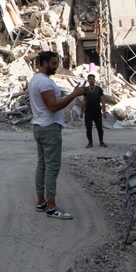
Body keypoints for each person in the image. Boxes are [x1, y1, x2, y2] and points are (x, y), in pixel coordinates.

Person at [28, 50, 85, 220]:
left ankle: (41, 201)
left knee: (42, 165)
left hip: (40, 126)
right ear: (44, 63)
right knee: (51, 168)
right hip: (49, 128)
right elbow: (53, 106)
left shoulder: (35, 80)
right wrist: (74, 95)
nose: (56, 66)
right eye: (53, 63)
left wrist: (70, 95)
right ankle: (51, 207)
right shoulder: (44, 83)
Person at [83, 73, 105, 148]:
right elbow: (84, 101)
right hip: (88, 111)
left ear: (94, 80)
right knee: (88, 127)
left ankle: (101, 141)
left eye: (92, 79)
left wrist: (104, 112)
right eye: (90, 79)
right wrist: (81, 111)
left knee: (99, 127)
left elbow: (102, 100)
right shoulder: (86, 90)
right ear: (88, 80)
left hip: (97, 111)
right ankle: (90, 142)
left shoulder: (99, 89)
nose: (91, 80)